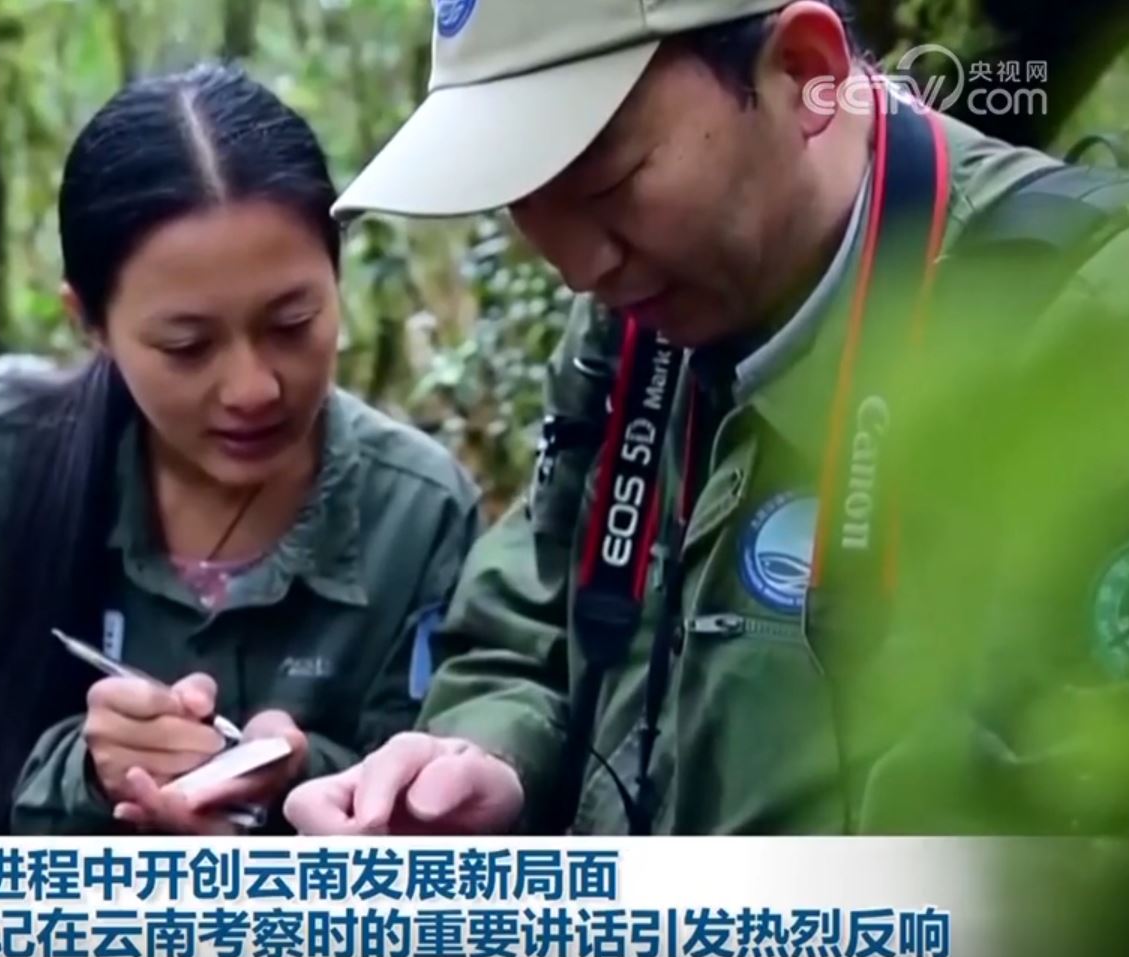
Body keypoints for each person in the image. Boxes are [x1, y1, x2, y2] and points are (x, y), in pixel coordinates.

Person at [286, 0, 1129, 841]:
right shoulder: (640, 318)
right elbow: (534, 609)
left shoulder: (1078, 332)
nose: (580, 267)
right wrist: (483, 757)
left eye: (607, 182)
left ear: (803, 72)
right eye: (523, 198)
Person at [0, 63, 483, 841]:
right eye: (186, 346)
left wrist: (299, 782)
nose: (252, 388)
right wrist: (84, 780)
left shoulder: (417, 513)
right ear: (90, 322)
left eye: (291, 324)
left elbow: (442, 830)